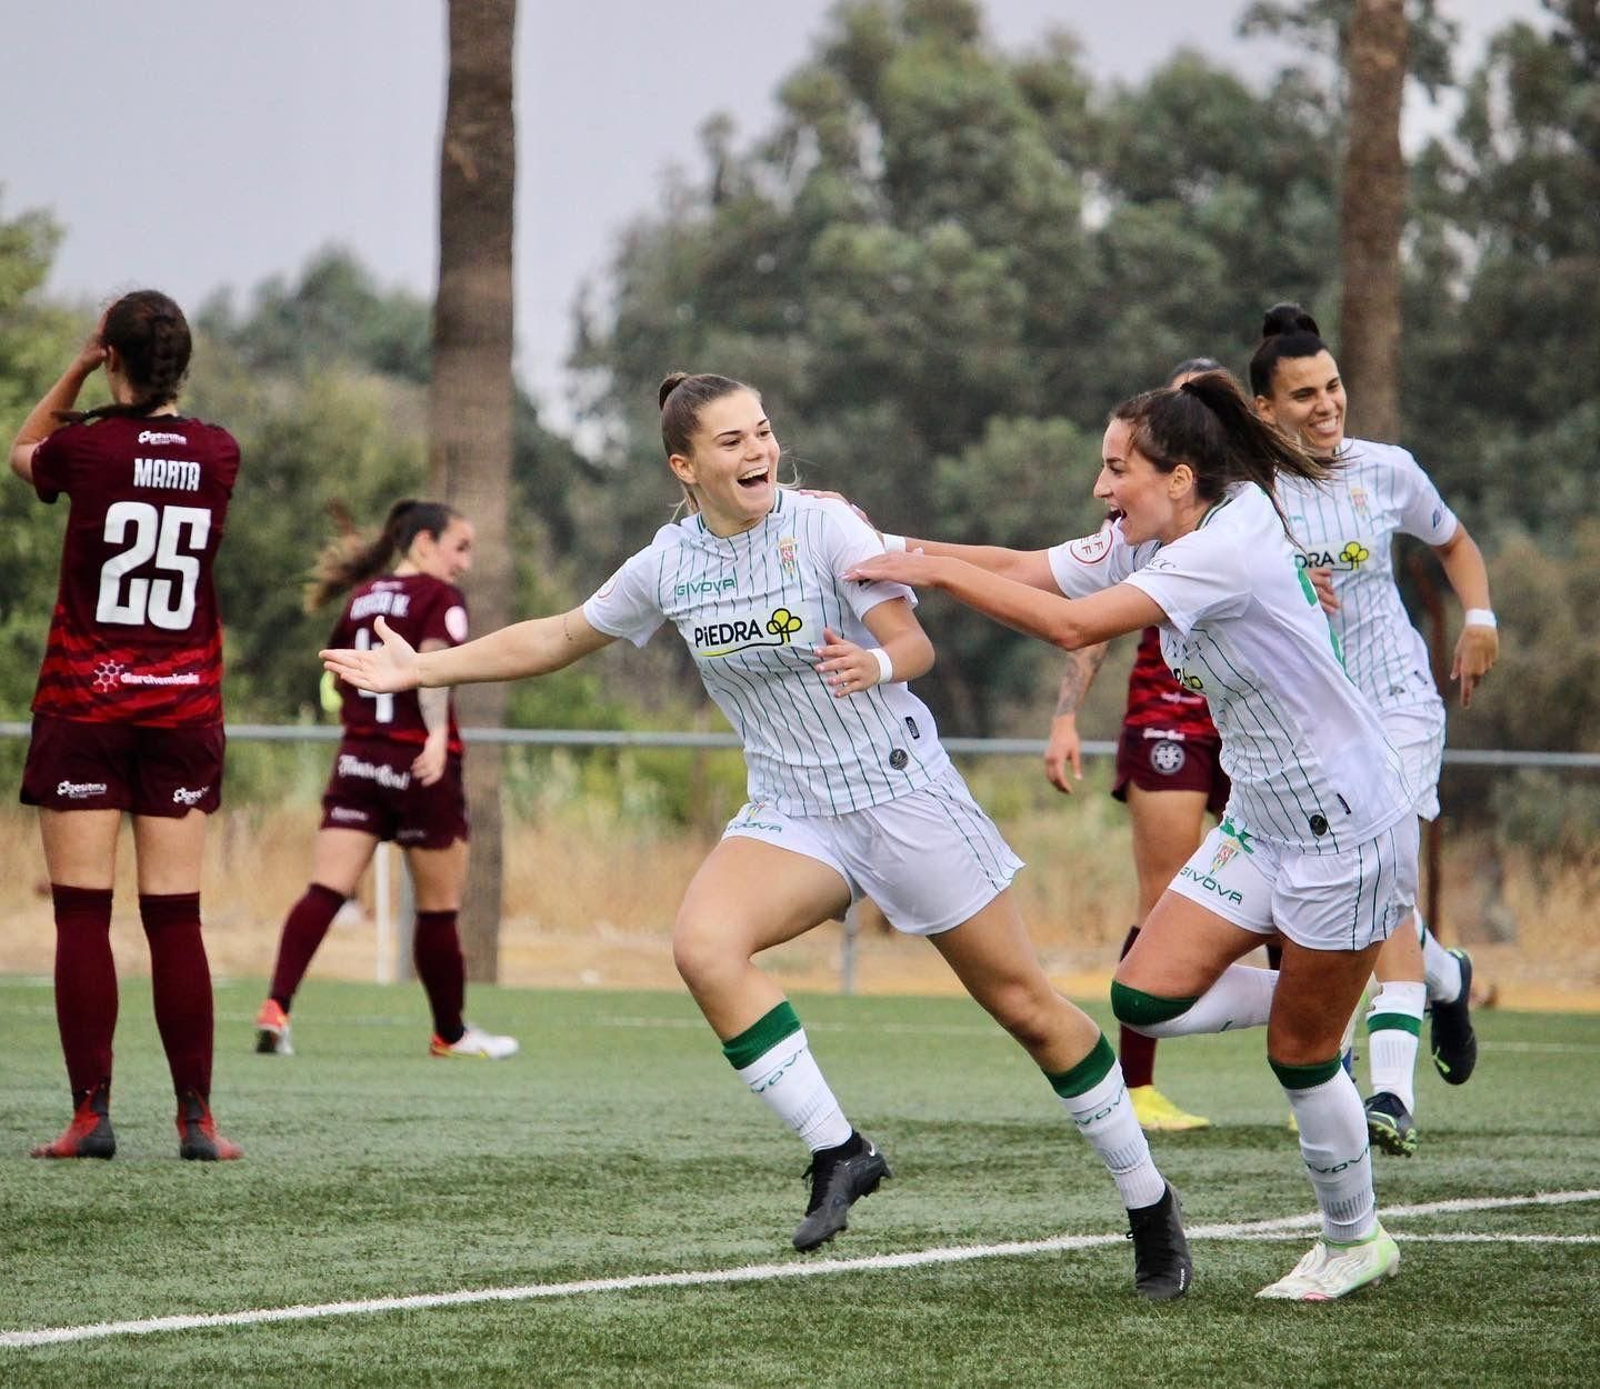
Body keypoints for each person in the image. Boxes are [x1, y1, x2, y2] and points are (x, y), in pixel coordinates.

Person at [323, 371, 1191, 1299]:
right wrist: (425, 669)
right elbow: (558, 637)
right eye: (732, 441)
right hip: (790, 810)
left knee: (1028, 1009)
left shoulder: (825, 527)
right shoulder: (668, 563)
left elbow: (917, 647)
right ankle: (841, 1150)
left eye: (764, 432)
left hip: (900, 796)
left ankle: (1150, 1208)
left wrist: (879, 659)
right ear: (684, 464)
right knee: (703, 944)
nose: (759, 451)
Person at [850, 369, 1418, 1301]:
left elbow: (1069, 622)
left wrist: (938, 575)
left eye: (1117, 469)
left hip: (1347, 826)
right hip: (1265, 824)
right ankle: (1321, 986)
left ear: (1181, 477)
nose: (1101, 490)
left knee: (1300, 1057)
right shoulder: (1161, 530)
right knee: (1143, 996)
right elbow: (1036, 567)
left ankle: (1356, 1238)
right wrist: (889, 546)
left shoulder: (1225, 545)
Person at [1251, 304, 1494, 1155]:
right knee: (1346, 896)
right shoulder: (1250, 497)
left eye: (1334, 386)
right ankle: (1441, 974)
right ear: (1265, 410)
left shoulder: (1385, 470)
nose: (1327, 405)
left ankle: (1389, 1092)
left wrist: (1483, 616)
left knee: (1382, 879)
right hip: (1313, 726)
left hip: (1397, 705)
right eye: (1304, 394)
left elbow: (1455, 543)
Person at [10, 291, 242, 1161]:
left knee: (82, 915)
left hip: (85, 704)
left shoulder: (89, 447)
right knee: (175, 919)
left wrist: (73, 365)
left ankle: (89, 1116)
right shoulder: (220, 452)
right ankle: (198, 1122)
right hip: (183, 708)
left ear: (112, 357)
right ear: (181, 364)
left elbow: (21, 452)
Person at [254, 501, 518, 1061]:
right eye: (460, 547)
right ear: (424, 542)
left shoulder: (363, 597)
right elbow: (432, 667)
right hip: (418, 766)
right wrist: (431, 737)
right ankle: (449, 1034)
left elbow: (338, 677)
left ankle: (276, 1008)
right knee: (439, 907)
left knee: (324, 891)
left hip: (357, 761)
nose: (465, 563)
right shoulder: (439, 598)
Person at [1044, 358, 1230, 1134]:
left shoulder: (1249, 516)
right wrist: (1065, 716)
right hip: (1168, 718)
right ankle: (1138, 1082)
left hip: (1247, 724)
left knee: (1298, 904)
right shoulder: (1138, 522)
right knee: (1164, 899)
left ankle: (1318, 1073)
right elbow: (1085, 621)